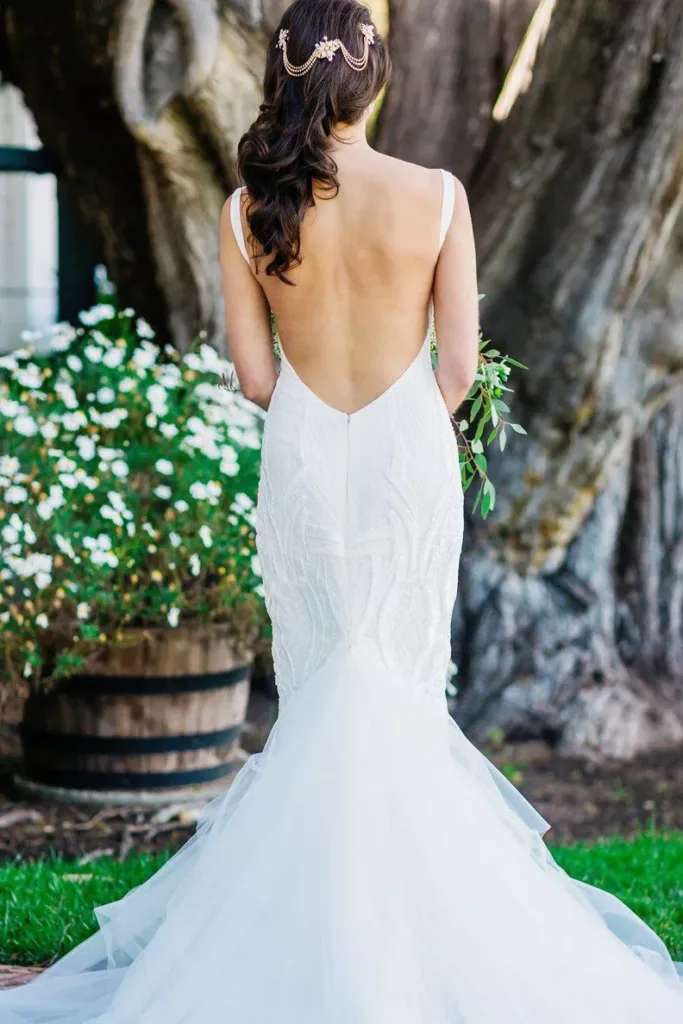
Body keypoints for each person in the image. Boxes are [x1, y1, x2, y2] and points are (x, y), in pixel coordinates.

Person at [1, 2, 682, 1020]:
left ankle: (303, 933)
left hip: (306, 459)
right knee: (399, 690)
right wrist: (399, 421)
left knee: (323, 688)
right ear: (371, 80)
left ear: (282, 77)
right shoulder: (436, 195)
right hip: (408, 458)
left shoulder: (247, 210)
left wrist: (321, 422)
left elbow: (250, 371)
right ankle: (417, 936)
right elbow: (457, 367)